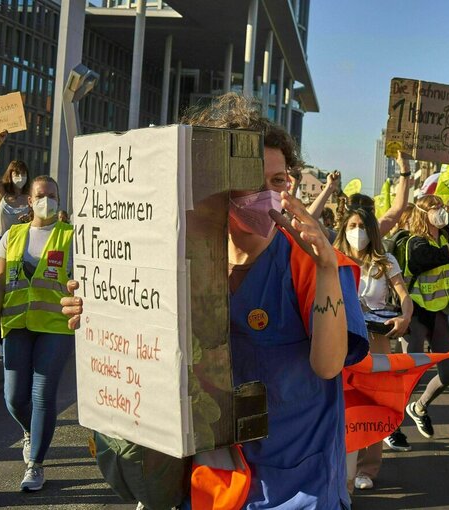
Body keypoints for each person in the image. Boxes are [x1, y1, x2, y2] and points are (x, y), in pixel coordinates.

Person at [65, 93, 368, 508]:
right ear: (217, 189)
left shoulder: (312, 265)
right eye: (252, 184)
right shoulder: (174, 268)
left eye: (278, 182)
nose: (268, 197)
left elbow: (329, 365)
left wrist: (328, 271)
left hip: (297, 488)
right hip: (213, 487)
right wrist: (99, 312)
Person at [0, 175, 71, 491]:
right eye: (42, 195)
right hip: (16, 326)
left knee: (41, 394)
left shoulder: (71, 236)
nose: (48, 200)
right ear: (30, 200)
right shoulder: (11, 236)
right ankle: (33, 431)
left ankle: (35, 465)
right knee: (14, 399)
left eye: (53, 195)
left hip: (54, 327)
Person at [335, 205, 414, 491]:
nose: (358, 232)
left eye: (363, 226)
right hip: (342, 337)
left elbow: (404, 295)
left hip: (376, 337)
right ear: (344, 228)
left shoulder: (385, 260)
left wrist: (405, 315)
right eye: (353, 225)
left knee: (374, 401)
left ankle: (367, 468)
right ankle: (341, 468)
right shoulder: (335, 258)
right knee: (344, 402)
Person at [401, 194, 449, 438]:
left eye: (441, 207)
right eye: (434, 208)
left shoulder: (446, 234)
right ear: (422, 214)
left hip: (439, 314)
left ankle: (419, 407)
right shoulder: (415, 244)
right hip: (415, 314)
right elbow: (444, 256)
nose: (440, 211)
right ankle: (389, 425)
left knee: (448, 374)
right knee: (410, 374)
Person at [0, 159, 33, 241]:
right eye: (17, 174)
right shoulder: (1, 192)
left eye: (23, 174)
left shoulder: (31, 197)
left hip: (20, 240)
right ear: (10, 175)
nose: (20, 177)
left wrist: (29, 218)